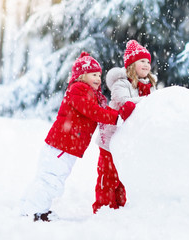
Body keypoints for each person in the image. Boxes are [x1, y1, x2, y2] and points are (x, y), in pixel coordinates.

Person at [20, 52, 136, 222]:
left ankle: (29, 206)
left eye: (99, 74)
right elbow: (93, 111)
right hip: (62, 146)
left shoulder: (90, 93)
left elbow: (102, 108)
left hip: (63, 146)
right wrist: (117, 117)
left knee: (47, 177)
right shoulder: (78, 89)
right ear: (82, 75)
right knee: (51, 179)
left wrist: (119, 112)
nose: (98, 78)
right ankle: (35, 212)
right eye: (93, 74)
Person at [92, 40, 157, 213]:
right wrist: (149, 101)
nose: (146, 64)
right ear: (131, 65)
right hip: (111, 137)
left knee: (122, 174)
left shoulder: (147, 87)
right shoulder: (121, 84)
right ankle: (103, 208)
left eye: (148, 61)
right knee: (108, 174)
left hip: (126, 139)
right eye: (142, 61)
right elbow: (124, 103)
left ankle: (119, 207)